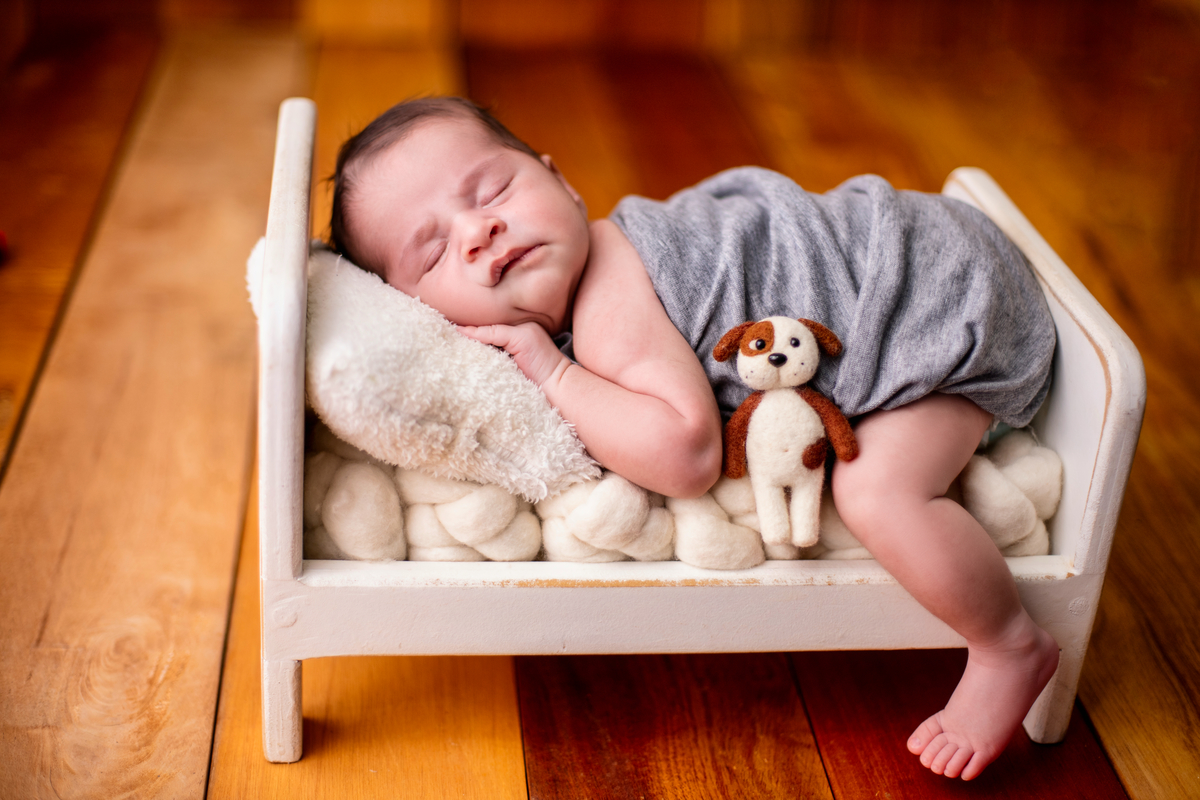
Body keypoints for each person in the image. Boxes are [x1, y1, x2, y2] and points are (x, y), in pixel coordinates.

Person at [328, 96, 1061, 781]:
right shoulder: (617, 251)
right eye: (432, 253)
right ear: (419, 316)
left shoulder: (610, 299)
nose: (477, 230)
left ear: (561, 182)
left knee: (877, 492)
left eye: (493, 192)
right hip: (933, 237)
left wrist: (553, 373)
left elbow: (688, 457)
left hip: (942, 302)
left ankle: (1008, 644)